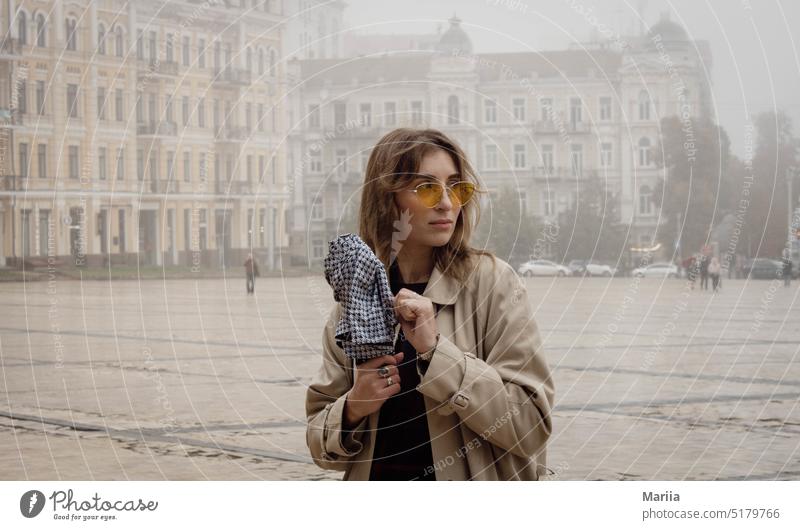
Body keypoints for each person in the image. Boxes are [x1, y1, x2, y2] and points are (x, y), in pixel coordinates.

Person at [305, 128, 554, 480]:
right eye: (427, 188)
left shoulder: (493, 284)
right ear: (387, 198)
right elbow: (321, 449)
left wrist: (437, 354)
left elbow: (532, 426)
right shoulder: (355, 299)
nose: (447, 203)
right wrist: (353, 407)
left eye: (456, 186)